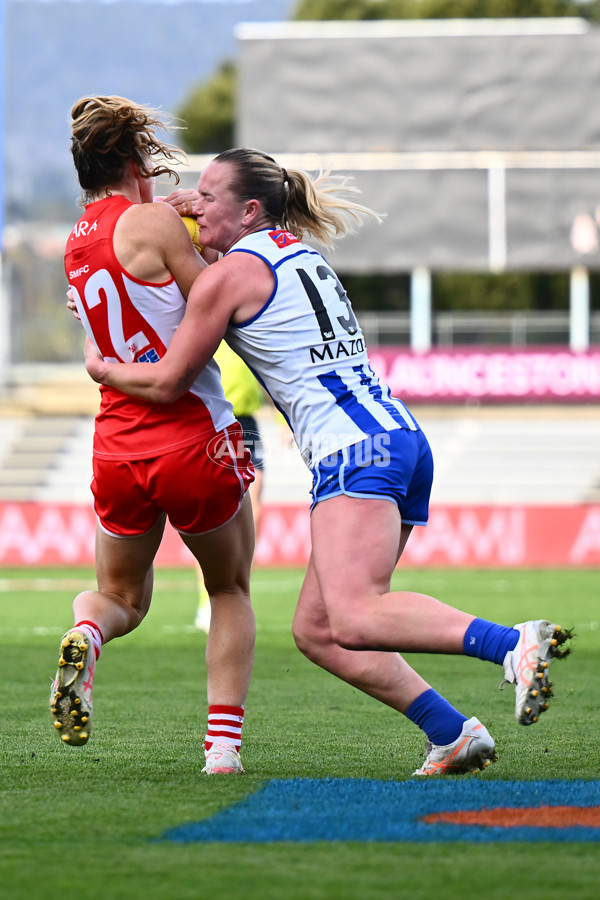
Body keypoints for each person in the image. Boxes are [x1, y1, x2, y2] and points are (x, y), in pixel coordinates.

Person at [84, 147, 573, 776]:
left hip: (354, 450)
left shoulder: (231, 274)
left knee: (356, 612)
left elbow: (170, 380)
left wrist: (102, 363)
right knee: (319, 630)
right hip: (395, 438)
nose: (192, 204)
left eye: (206, 196)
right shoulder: (292, 253)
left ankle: (512, 643)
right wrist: (183, 216)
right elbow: (203, 265)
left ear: (249, 209)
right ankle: (452, 733)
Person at [53, 98, 256, 776]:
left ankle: (86, 636)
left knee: (117, 599)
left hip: (115, 441)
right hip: (190, 434)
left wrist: (175, 221)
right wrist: (210, 240)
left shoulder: (75, 243)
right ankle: (221, 751)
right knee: (228, 587)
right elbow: (217, 301)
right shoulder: (152, 222)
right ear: (134, 164)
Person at [194, 340, 264, 632]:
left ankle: (236, 591)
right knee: (211, 515)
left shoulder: (245, 327)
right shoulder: (203, 320)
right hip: (215, 418)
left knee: (255, 504)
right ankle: (206, 600)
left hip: (246, 421)